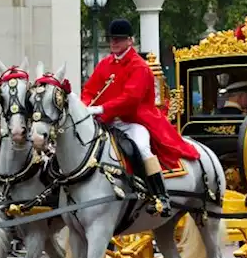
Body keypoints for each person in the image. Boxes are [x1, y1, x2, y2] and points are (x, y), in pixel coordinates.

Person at [81, 19, 199, 216]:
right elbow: (89, 89)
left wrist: (101, 108)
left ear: (130, 41)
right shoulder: (105, 64)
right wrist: (85, 106)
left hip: (134, 120)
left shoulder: (139, 67)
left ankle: (160, 195)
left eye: (118, 39)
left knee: (143, 149)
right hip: (106, 120)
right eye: (111, 39)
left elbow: (131, 99)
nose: (114, 43)